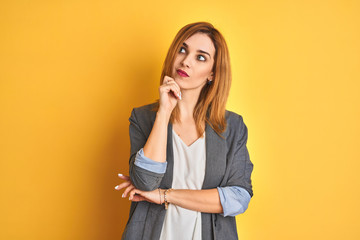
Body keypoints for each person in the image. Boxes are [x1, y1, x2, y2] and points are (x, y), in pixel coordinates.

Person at [115, 21, 254, 240]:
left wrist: (164, 195)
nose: (186, 61)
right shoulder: (143, 118)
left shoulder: (232, 127)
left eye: (200, 57)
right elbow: (144, 181)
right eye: (182, 49)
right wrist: (164, 112)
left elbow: (237, 198)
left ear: (212, 74)